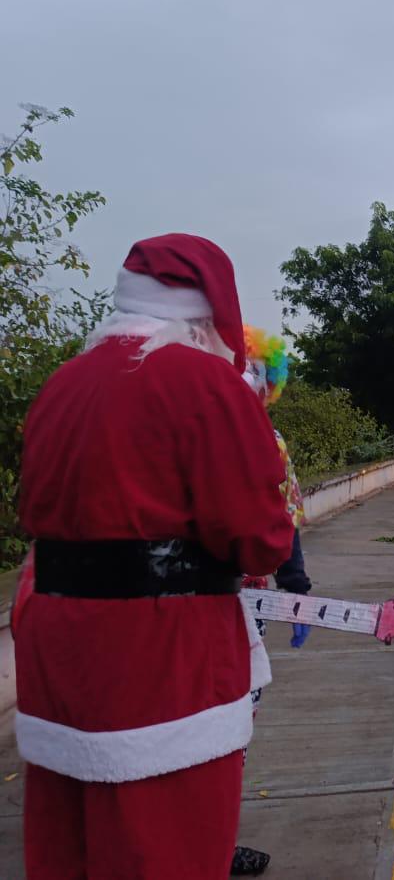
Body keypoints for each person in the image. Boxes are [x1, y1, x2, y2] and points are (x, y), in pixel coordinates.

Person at [13, 233, 295, 879]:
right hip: (165, 675)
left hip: (58, 671)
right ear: (207, 318)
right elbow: (259, 535)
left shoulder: (60, 386)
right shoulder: (202, 384)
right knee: (169, 851)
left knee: (67, 854)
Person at [234, 326, 314, 876]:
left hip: (248, 608)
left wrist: (298, 589)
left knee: (239, 722)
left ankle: (217, 834)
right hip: (169, 612)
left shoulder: (271, 441)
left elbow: (286, 524)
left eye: (256, 373)